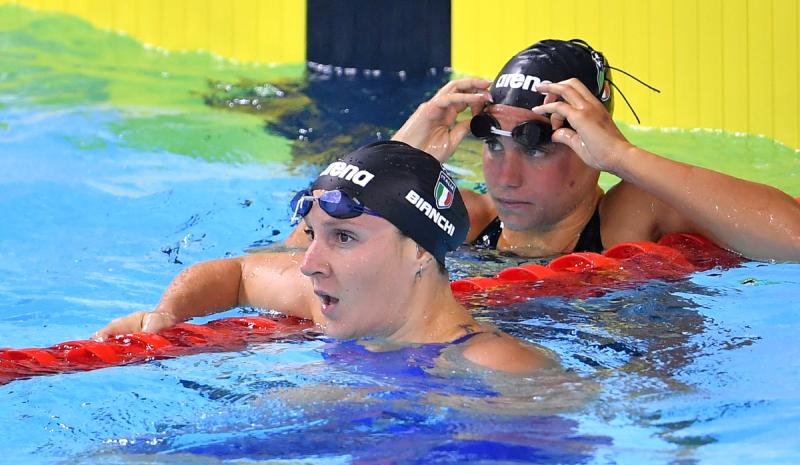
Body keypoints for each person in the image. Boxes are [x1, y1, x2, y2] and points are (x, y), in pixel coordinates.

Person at [94, 141, 557, 374]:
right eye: (313, 234)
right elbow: (237, 273)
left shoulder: (498, 364)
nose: (308, 262)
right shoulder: (334, 303)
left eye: (344, 238)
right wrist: (169, 316)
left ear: (418, 249)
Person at [391, 39, 800, 261]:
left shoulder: (630, 216)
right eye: (494, 144)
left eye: (535, 150)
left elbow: (793, 239)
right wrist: (400, 155)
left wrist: (622, 157)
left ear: (590, 146)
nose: (506, 177)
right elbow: (331, 245)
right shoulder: (463, 218)